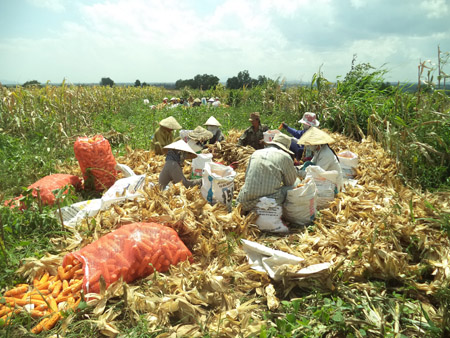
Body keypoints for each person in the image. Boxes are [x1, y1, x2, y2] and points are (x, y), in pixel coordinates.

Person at [237, 133, 298, 212]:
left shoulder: (256, 153)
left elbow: (247, 177)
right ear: (285, 148)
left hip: (245, 201)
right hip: (270, 201)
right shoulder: (285, 157)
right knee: (296, 183)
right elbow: (290, 182)